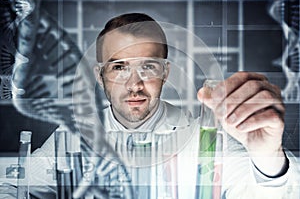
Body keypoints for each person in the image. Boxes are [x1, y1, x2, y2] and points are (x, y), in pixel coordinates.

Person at [29, 13, 299, 198]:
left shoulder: (203, 138)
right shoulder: (71, 136)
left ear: (166, 72)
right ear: (100, 76)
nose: (134, 84)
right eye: (119, 67)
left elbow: (267, 191)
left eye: (148, 67)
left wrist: (268, 158)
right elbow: (13, 186)